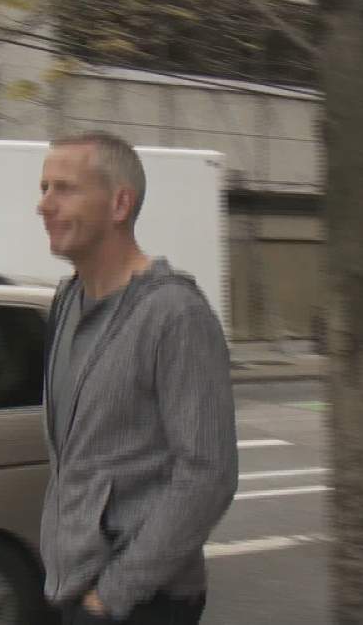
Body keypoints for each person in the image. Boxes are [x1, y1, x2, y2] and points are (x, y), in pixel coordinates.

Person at [36, 131, 238, 624]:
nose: (43, 206)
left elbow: (210, 474)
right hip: (75, 587)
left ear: (119, 203)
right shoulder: (66, 301)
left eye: (63, 188)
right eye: (43, 188)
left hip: (142, 603)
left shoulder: (174, 314)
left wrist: (112, 595)